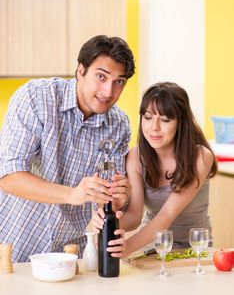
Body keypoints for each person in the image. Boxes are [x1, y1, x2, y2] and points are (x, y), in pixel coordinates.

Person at [0, 35, 135, 262]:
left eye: (119, 81)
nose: (108, 91)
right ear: (80, 71)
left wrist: (117, 200)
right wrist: (72, 194)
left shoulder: (119, 126)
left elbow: (103, 199)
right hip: (11, 246)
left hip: (70, 255)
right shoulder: (36, 98)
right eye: (101, 77)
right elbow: (9, 177)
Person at [93, 82, 217, 257]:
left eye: (165, 119)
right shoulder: (135, 157)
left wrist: (127, 246)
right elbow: (135, 217)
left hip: (195, 246)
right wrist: (109, 220)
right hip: (152, 245)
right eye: (148, 117)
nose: (154, 127)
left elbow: (167, 213)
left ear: (180, 122)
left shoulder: (201, 157)